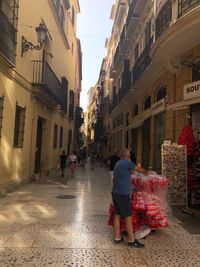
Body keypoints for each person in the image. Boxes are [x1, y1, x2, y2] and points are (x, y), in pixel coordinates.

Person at [112, 148, 147, 248]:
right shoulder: (127, 163)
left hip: (115, 192)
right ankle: (132, 240)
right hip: (123, 194)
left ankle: (117, 237)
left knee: (117, 215)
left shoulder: (118, 163)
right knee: (128, 217)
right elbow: (140, 170)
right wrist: (146, 172)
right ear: (128, 156)